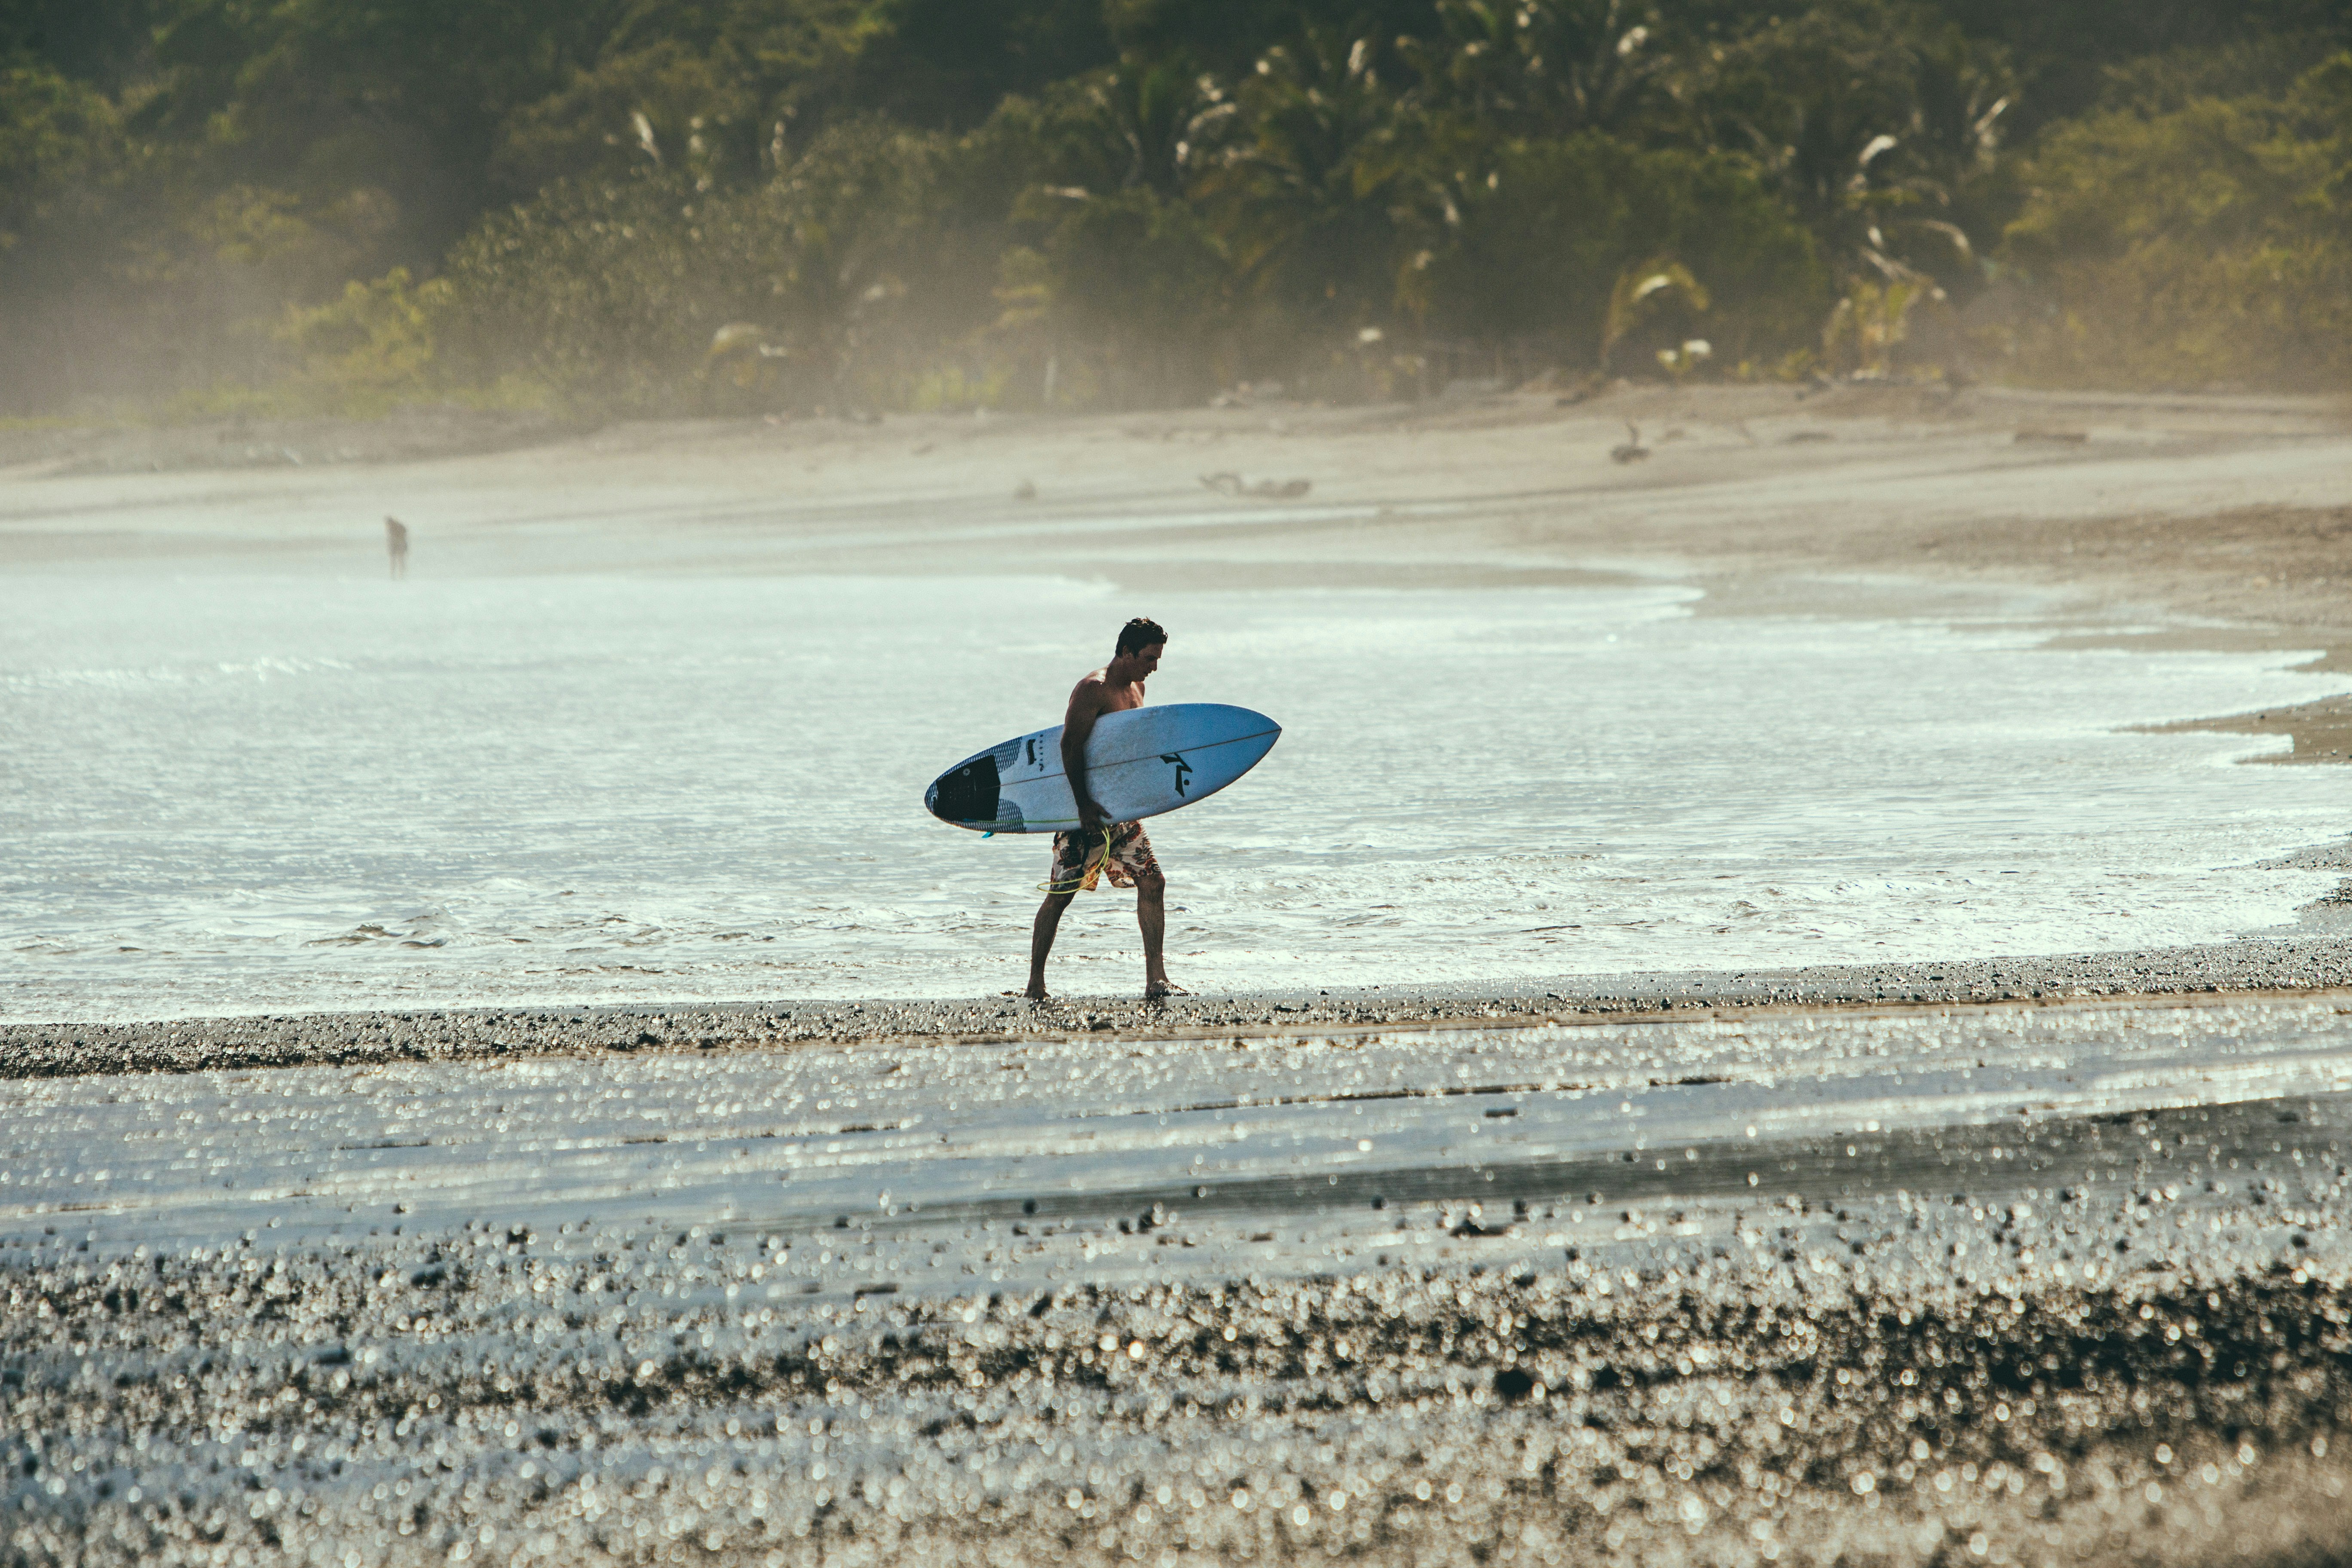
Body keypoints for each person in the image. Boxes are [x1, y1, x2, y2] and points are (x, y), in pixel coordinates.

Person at [1027, 618, 1176, 1002]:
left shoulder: (1138, 687)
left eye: (1157, 659)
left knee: (1153, 882)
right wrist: (1081, 807)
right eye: (1148, 658)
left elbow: (1127, 747)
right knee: (1061, 894)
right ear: (1126, 652)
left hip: (1121, 809)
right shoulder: (1093, 689)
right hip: (1085, 811)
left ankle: (1156, 979)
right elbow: (1069, 748)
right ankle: (1036, 984)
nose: (1154, 667)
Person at [383, 514, 409, 579]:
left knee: (399, 560)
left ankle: (401, 575)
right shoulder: (392, 527)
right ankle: (395, 575)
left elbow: (403, 535)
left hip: (399, 545)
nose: (388, 525)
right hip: (396, 545)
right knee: (395, 560)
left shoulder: (398, 526)